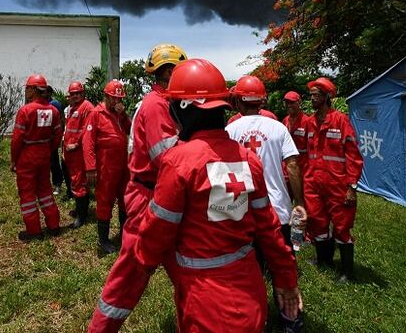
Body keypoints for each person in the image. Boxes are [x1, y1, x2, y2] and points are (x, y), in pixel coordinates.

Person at [135, 58, 302, 331]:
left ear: (184, 108)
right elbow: (269, 228)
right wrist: (285, 277)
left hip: (204, 300)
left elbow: (159, 228)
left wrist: (144, 259)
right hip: (249, 294)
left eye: (173, 105)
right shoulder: (248, 160)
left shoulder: (178, 162)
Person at [88, 43, 187, 332]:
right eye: (175, 71)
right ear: (166, 73)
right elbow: (165, 157)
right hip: (149, 201)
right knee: (131, 273)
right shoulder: (156, 105)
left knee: (188, 272)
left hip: (164, 196)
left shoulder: (168, 103)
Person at [225, 75, 304, 331]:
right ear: (262, 100)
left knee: (247, 271)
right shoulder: (278, 128)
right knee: (283, 267)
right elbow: (292, 165)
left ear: (238, 101)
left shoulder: (230, 130)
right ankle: (291, 320)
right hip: (277, 211)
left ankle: (252, 319)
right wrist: (299, 201)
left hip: (242, 212)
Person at [304, 77, 364, 282]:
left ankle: (347, 272)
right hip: (313, 183)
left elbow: (353, 155)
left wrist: (352, 187)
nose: (312, 99)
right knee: (317, 222)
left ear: (327, 97)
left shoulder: (340, 120)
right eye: (311, 95)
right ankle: (324, 261)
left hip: (337, 185)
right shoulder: (310, 122)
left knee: (341, 227)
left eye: (316, 95)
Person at [10, 75, 63, 241]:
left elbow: (17, 139)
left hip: (27, 155)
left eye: (27, 88)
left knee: (27, 194)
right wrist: (49, 149)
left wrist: (13, 160)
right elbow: (58, 135)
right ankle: (54, 225)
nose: (26, 91)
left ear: (33, 90)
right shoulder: (54, 111)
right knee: (45, 190)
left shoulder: (25, 110)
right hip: (44, 155)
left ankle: (34, 230)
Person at [83, 80, 131, 254]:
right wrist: (90, 168)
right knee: (105, 200)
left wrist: (124, 115)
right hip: (106, 167)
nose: (117, 101)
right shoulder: (96, 114)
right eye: (114, 98)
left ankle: (124, 235)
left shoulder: (119, 115)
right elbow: (87, 142)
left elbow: (131, 129)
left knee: (125, 198)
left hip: (123, 166)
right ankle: (103, 240)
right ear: (106, 96)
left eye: (120, 99)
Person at [63, 81, 95, 228]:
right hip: (70, 153)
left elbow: (86, 130)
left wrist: (76, 144)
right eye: (72, 94)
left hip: (79, 152)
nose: (75, 96)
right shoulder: (72, 108)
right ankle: (80, 210)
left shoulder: (87, 107)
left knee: (79, 183)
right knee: (75, 182)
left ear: (83, 93)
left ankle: (82, 216)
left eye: (78, 93)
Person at [46, 86, 68, 197]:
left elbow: (61, 120)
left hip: (52, 138)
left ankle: (57, 183)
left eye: (44, 92)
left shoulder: (54, 104)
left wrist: (60, 135)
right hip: (43, 140)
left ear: (49, 93)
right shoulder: (41, 104)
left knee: (54, 162)